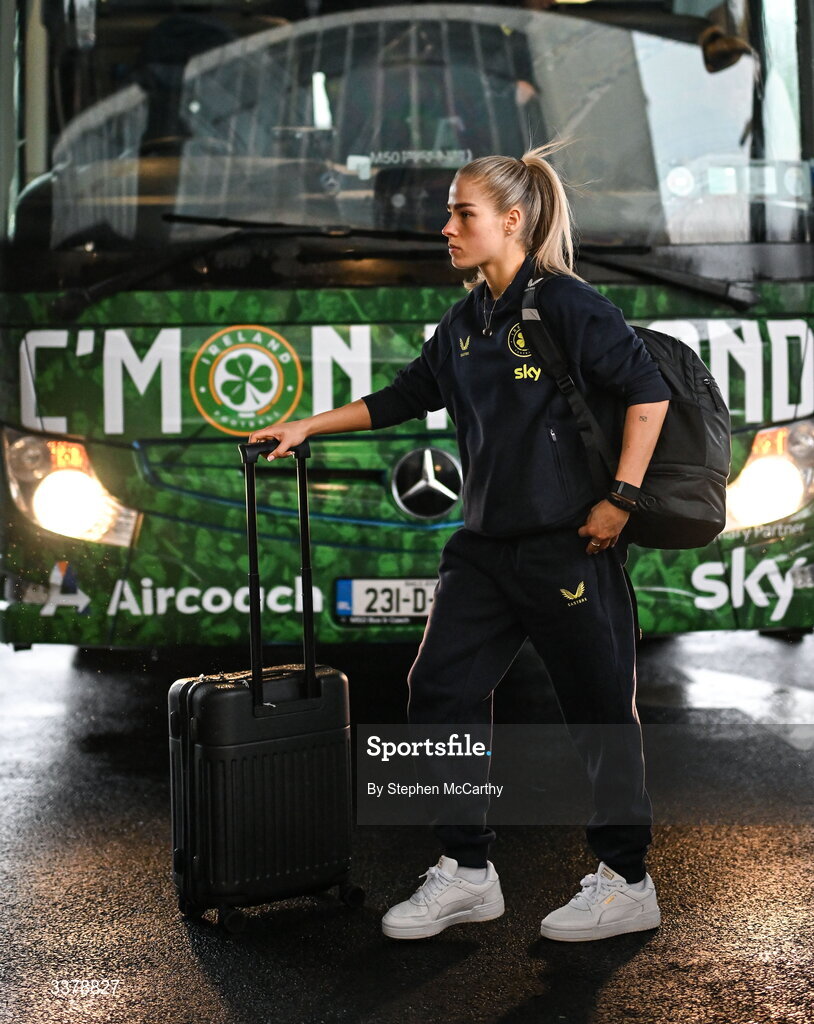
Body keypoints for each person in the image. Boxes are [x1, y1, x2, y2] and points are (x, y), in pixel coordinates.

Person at [248, 141, 671, 942]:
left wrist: (621, 499)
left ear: (511, 222)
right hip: (482, 550)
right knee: (438, 694)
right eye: (449, 212)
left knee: (598, 713)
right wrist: (308, 425)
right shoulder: (468, 316)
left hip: (568, 546)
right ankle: (468, 872)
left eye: (461, 213)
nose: (446, 227)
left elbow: (647, 391)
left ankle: (627, 878)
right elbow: (409, 394)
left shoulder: (568, 305)